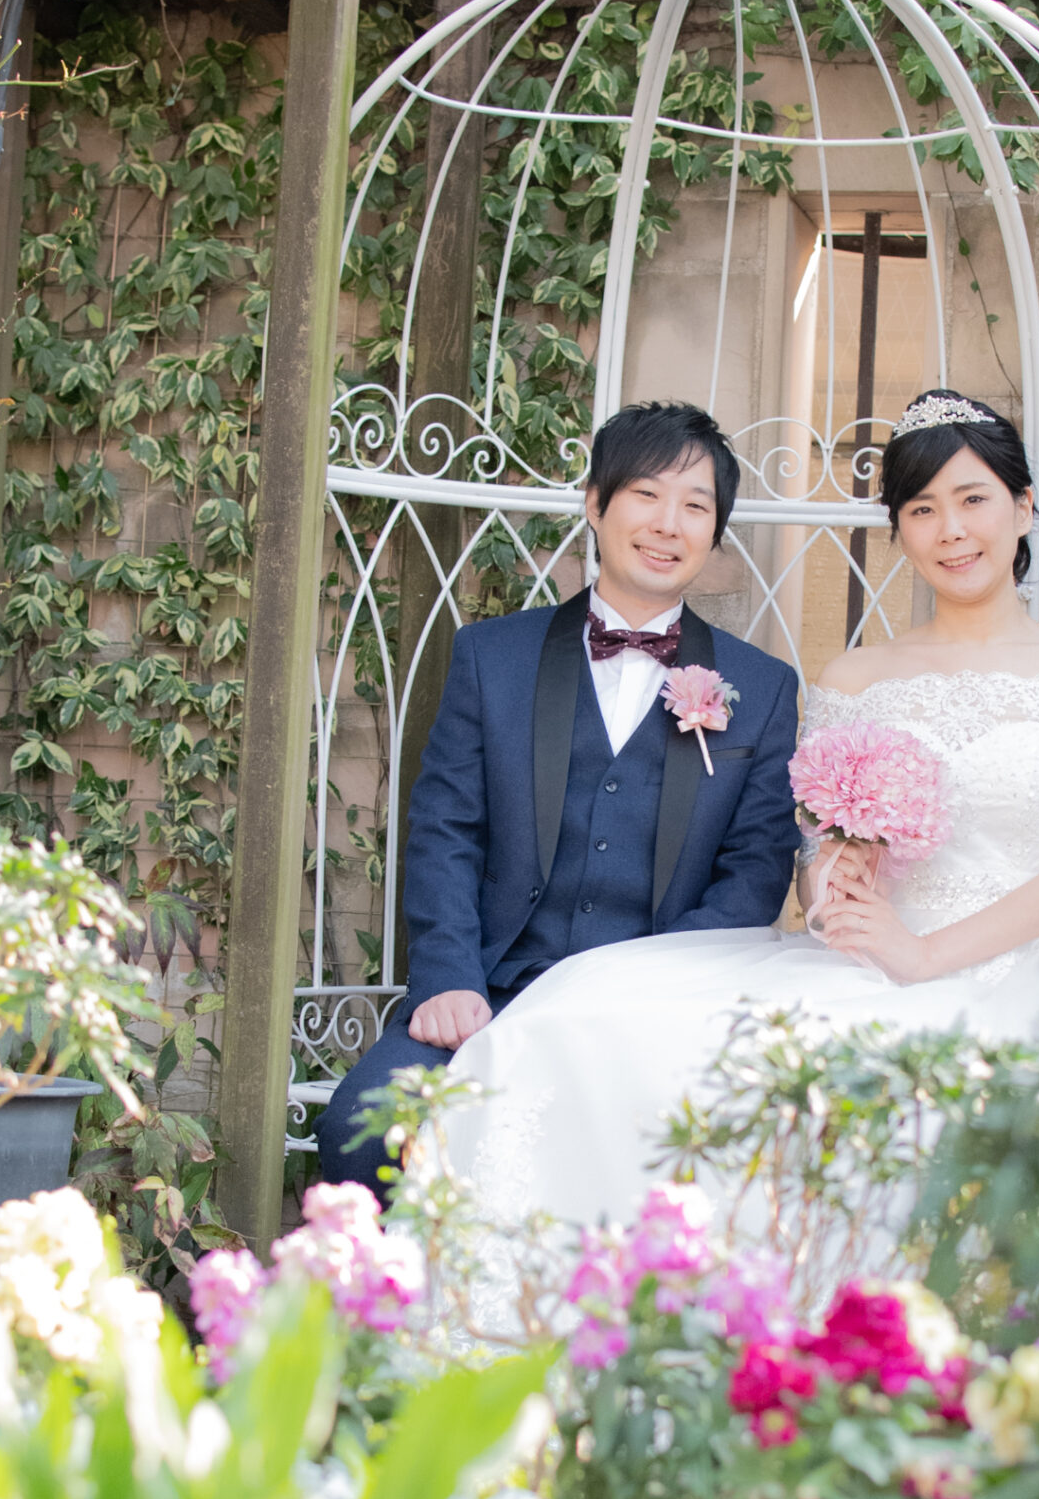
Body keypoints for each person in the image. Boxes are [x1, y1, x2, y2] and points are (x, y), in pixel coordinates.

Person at [425, 389, 1039, 1231]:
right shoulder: (853, 678)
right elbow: (806, 861)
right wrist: (839, 880)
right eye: (921, 509)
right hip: (872, 962)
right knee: (667, 1045)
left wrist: (923, 956)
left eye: (973, 499)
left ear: (1021, 507)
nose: (950, 530)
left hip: (1033, 970)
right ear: (900, 529)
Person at [315, 400, 802, 1191]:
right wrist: (448, 978)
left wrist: (641, 993)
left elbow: (753, 876)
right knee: (362, 1129)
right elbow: (445, 830)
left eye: (695, 505)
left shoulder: (763, 687)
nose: (668, 524)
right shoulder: (492, 657)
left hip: (654, 1012)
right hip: (492, 993)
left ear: (716, 531)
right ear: (596, 504)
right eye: (645, 494)